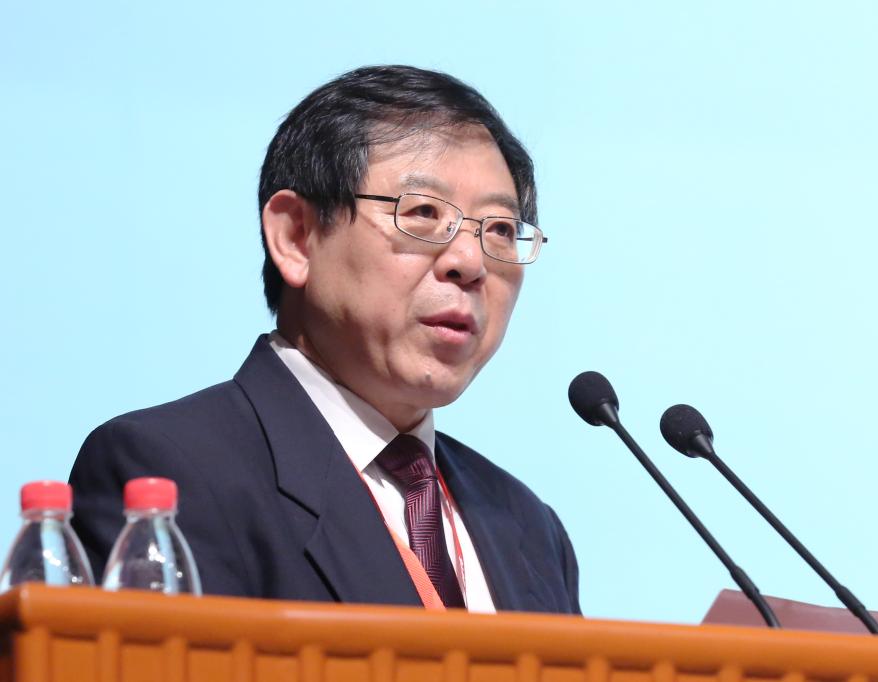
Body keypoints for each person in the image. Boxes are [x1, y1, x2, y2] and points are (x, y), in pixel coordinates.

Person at [69, 65, 580, 614]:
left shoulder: (527, 526)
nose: (470, 263)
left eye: (499, 229)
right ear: (296, 237)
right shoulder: (172, 472)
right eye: (423, 213)